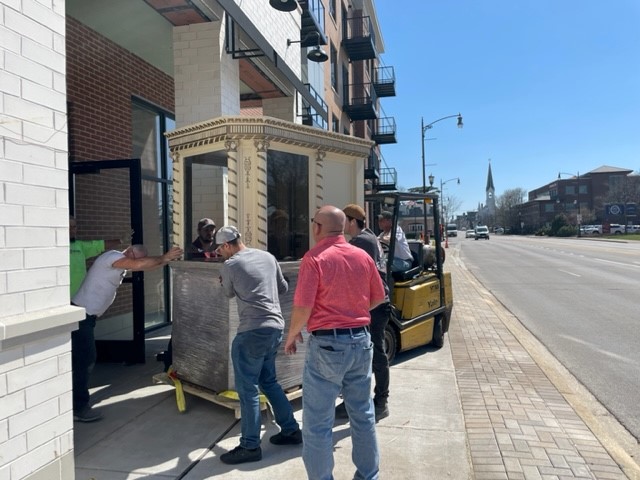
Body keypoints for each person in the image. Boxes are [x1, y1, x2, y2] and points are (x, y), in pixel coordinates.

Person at [284, 206, 386, 480]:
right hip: (361, 340)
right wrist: (354, 310)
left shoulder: (315, 258)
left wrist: (292, 335)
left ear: (317, 227)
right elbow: (378, 297)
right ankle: (368, 476)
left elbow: (303, 307)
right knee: (363, 415)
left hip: (328, 344)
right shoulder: (361, 256)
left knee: (317, 424)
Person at [215, 226, 302, 465]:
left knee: (248, 390)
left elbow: (228, 293)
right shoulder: (267, 256)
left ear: (226, 246)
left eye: (219, 249)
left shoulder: (230, 266)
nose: (220, 254)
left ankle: (250, 446)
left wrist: (224, 281)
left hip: (251, 332)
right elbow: (283, 288)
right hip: (275, 328)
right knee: (269, 382)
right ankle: (291, 430)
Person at [71, 244, 183, 422]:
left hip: (87, 316)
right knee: (85, 360)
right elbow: (139, 264)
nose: (136, 263)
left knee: (80, 359)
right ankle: (79, 407)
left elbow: (145, 265)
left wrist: (166, 260)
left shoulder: (123, 262)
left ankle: (75, 403)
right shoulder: (111, 257)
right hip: (81, 315)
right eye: (135, 259)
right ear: (129, 252)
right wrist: (164, 257)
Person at [338, 204, 391, 421]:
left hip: (375, 305)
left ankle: (381, 402)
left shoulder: (362, 243)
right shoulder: (369, 237)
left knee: (375, 353)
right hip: (371, 304)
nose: (341, 226)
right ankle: (354, 400)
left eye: (343, 221)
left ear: (351, 221)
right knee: (362, 355)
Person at [69, 216, 129, 296]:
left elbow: (99, 245)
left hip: (79, 296)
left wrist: (121, 240)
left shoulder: (79, 246)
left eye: (74, 227)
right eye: (69, 226)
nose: (72, 230)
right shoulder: (53, 248)